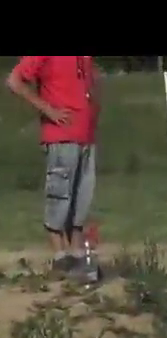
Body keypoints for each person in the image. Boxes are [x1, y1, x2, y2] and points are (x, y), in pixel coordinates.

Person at [5, 56, 99, 276]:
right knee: (60, 195)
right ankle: (59, 256)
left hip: (85, 135)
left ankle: (76, 253)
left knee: (82, 196)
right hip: (61, 136)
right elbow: (14, 81)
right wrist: (48, 110)